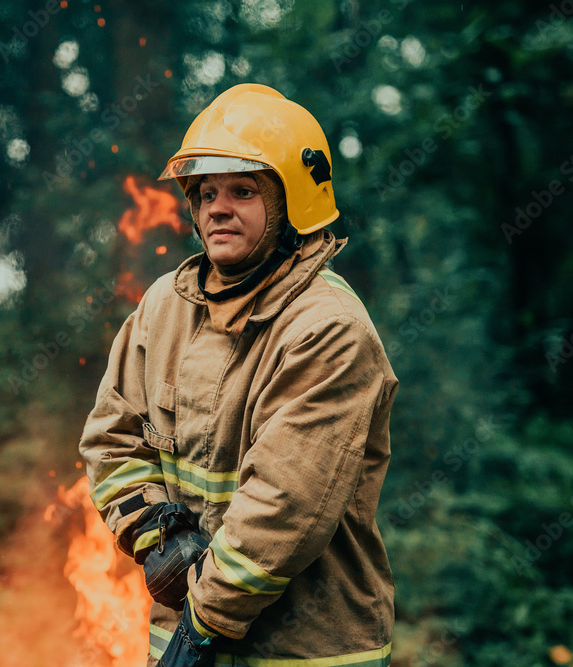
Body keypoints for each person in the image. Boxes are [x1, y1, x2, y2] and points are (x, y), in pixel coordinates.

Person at [78, 83, 398, 667]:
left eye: (243, 191)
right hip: (180, 636)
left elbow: (283, 507)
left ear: (291, 205)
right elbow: (110, 438)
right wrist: (161, 539)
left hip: (302, 651)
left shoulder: (326, 328)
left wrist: (202, 626)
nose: (216, 208)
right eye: (205, 192)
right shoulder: (163, 307)